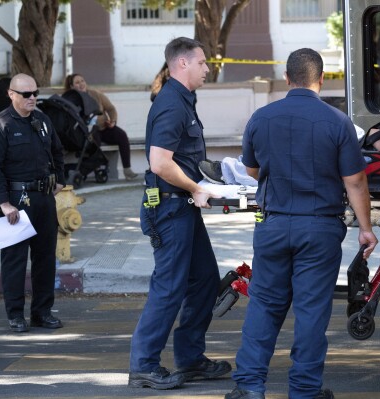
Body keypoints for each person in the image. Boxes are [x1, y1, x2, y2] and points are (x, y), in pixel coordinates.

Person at [225, 48, 379, 399]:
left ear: (287, 79)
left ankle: (249, 387)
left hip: (274, 225)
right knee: (311, 312)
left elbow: (251, 170)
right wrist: (365, 228)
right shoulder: (337, 122)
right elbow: (355, 181)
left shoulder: (261, 118)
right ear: (321, 81)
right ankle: (305, 392)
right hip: (320, 229)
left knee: (264, 306)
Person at [128, 37, 231, 390]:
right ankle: (143, 364)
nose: (207, 68)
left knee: (204, 280)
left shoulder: (184, 99)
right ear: (182, 64)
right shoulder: (172, 103)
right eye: (202, 63)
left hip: (181, 204)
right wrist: (195, 188)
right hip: (169, 207)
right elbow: (160, 162)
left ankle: (190, 360)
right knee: (169, 287)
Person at [0, 73, 66, 333]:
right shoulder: (0, 125)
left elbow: (57, 151)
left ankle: (42, 312)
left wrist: (60, 181)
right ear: (11, 94)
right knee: (15, 261)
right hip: (14, 203)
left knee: (45, 259)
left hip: (43, 199)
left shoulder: (42, 120)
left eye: (35, 93)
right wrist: (4, 203)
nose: (32, 98)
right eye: (26, 94)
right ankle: (16, 315)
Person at [64, 73, 139, 180]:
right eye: (77, 82)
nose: (81, 84)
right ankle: (95, 170)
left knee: (122, 135)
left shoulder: (95, 94)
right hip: (88, 132)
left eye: (82, 81)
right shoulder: (72, 100)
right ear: (72, 86)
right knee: (94, 145)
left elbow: (111, 108)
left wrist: (112, 121)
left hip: (104, 127)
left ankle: (127, 169)